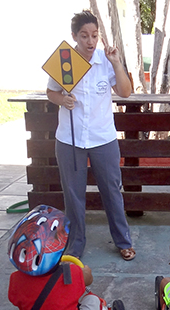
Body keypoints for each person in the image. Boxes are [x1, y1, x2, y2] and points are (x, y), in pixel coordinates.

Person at [45, 10, 135, 261]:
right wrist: (62, 99)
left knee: (112, 191)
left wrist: (117, 63)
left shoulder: (105, 60)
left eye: (94, 35)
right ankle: (75, 244)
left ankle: (123, 241)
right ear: (74, 36)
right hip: (70, 139)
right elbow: (51, 92)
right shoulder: (65, 61)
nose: (90, 41)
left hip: (103, 138)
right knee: (73, 195)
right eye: (84, 35)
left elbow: (125, 92)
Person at [7, 205, 108, 310]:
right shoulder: (72, 272)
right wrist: (85, 270)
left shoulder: (15, 280)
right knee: (94, 301)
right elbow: (89, 279)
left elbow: (18, 300)